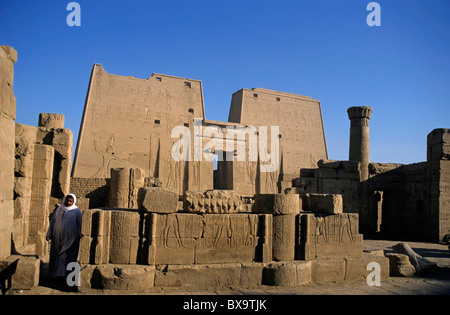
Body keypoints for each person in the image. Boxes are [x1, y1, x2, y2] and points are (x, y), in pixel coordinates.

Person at [46, 193, 82, 285]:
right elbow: (52, 222)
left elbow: (80, 224)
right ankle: (61, 276)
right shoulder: (59, 209)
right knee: (58, 255)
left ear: (73, 202)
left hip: (71, 238)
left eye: (70, 201)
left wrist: (80, 235)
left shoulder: (76, 211)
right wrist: (49, 233)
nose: (68, 203)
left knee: (64, 256)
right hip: (57, 237)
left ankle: (60, 276)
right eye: (67, 200)